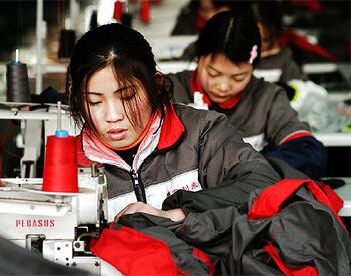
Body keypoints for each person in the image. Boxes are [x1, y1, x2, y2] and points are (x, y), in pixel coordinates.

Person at [67, 23, 280, 223]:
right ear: (76, 99)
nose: (112, 116)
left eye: (127, 97)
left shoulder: (201, 134)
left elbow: (263, 184)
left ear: (156, 85)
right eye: (94, 101)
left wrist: (176, 215)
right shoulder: (69, 166)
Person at [168, 11, 327, 179]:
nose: (223, 86)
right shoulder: (168, 92)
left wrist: (247, 168)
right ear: (198, 58)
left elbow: (308, 151)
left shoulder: (267, 98)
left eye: (239, 77)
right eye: (213, 73)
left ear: (254, 67)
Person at [250, 0, 307, 83]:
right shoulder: (235, 58)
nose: (259, 45)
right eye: (253, 40)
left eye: (265, 40)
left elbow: (301, 85)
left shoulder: (284, 56)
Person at [171, 0, 251, 36]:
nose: (209, 16)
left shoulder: (244, 24)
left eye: (216, 9)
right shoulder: (188, 19)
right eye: (204, 10)